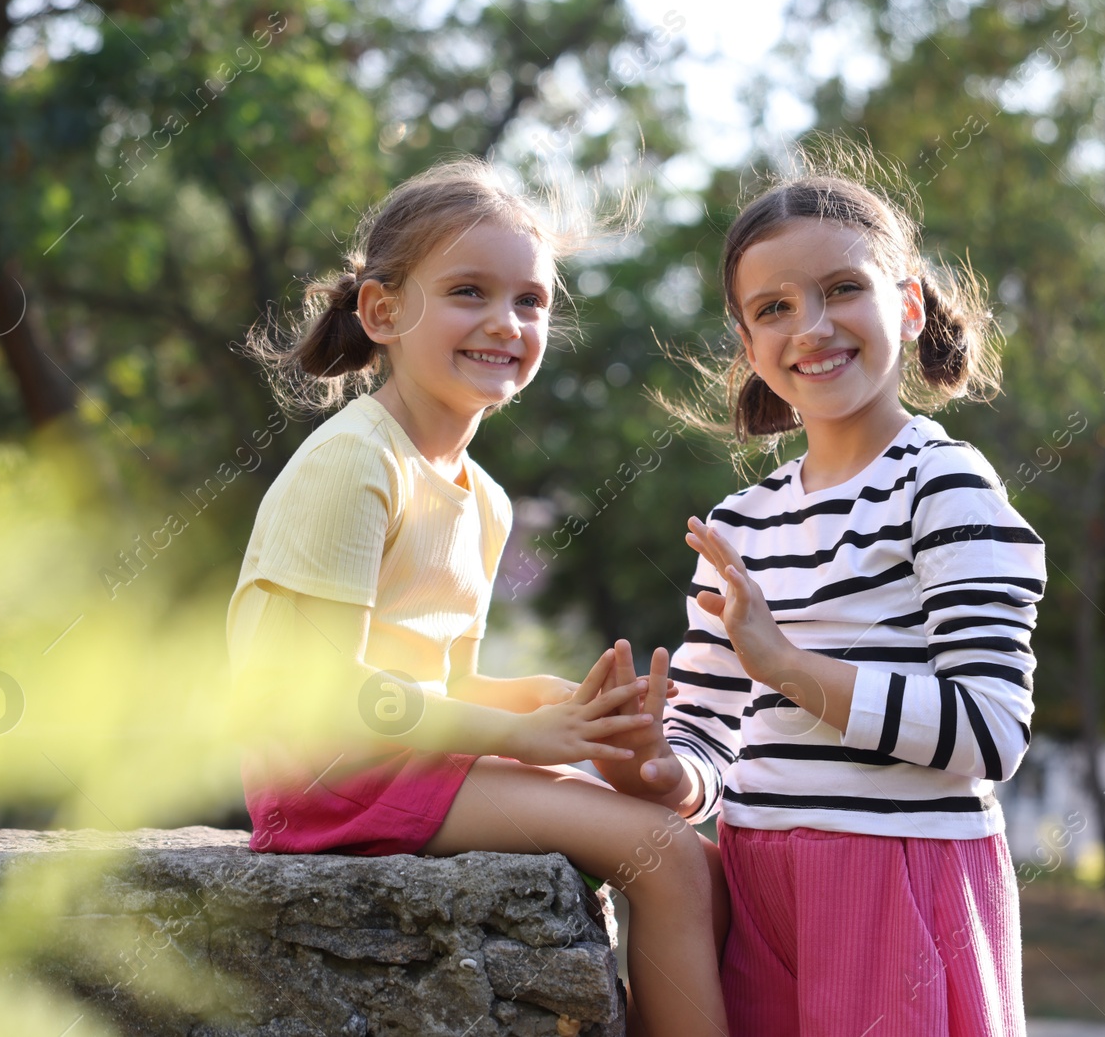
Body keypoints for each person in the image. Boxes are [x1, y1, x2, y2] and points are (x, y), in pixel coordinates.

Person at [227, 158, 730, 1036]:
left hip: (400, 761)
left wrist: (551, 705)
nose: (505, 322)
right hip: (327, 776)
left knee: (708, 864)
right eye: (469, 291)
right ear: (382, 311)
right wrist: (520, 735)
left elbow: (438, 693)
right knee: (664, 855)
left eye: (530, 301)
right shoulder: (357, 463)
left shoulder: (483, 499)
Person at [597, 153, 1045, 1035]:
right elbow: (712, 733)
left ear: (907, 306)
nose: (812, 325)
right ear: (750, 346)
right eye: (774, 307)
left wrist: (791, 667)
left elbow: (992, 733)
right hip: (759, 884)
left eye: (843, 288)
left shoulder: (945, 485)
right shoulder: (740, 523)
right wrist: (660, 766)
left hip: (898, 881)